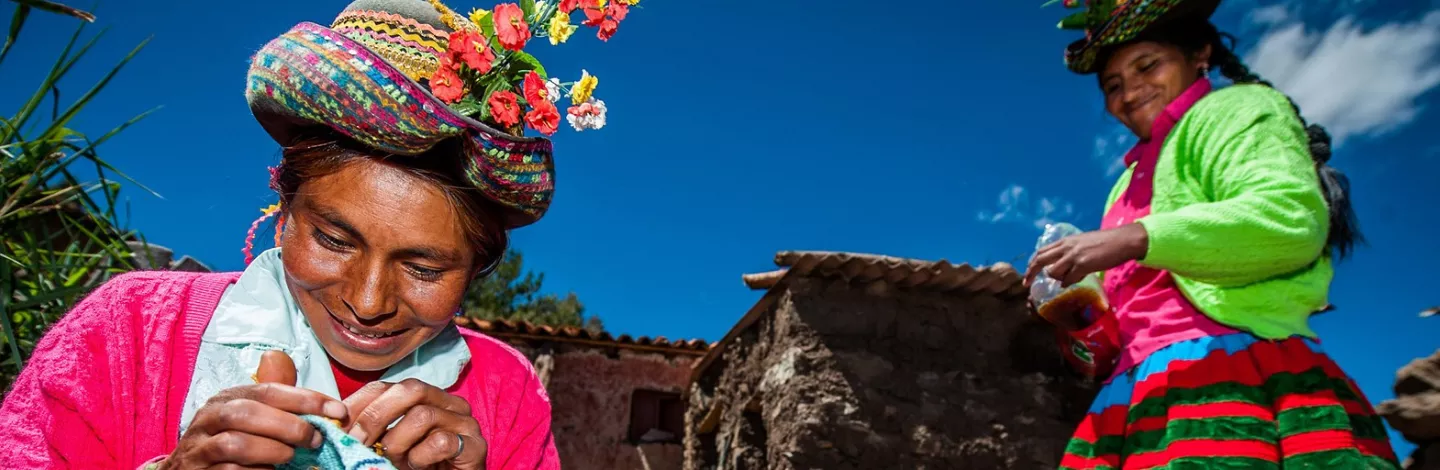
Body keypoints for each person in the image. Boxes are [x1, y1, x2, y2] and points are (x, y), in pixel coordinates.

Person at [0, 0, 631, 467]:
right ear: (283, 207)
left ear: (477, 267)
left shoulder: (504, 389)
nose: (369, 301)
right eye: (333, 238)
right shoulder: (130, 330)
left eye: (425, 269)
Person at [1025, 0, 1401, 467]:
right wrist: (1084, 310)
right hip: (1134, 393)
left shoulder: (1238, 111)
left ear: (1199, 54)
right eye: (1113, 85)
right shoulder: (1127, 181)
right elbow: (1141, 298)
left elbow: (1289, 219)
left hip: (1229, 374)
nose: (1129, 92)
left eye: (1148, 65)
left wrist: (1132, 238)